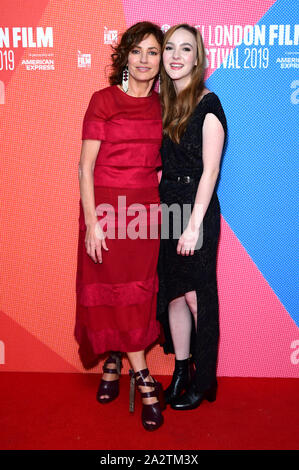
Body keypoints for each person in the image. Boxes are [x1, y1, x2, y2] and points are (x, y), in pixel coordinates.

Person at [75, 22, 165, 431]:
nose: (144, 60)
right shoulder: (103, 100)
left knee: (137, 295)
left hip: (144, 216)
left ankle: (116, 359)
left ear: (162, 60)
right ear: (124, 57)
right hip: (106, 214)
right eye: (137, 51)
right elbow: (85, 167)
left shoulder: (164, 107)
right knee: (110, 292)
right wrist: (93, 223)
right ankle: (144, 378)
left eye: (152, 52)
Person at [157, 24, 227, 410]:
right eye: (170, 48)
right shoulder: (164, 104)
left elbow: (211, 172)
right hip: (168, 207)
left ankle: (205, 380)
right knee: (173, 297)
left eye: (186, 49)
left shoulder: (209, 104)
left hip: (194, 210)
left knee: (198, 298)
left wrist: (194, 225)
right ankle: (181, 370)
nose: (176, 56)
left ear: (198, 58)